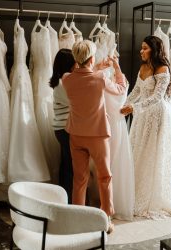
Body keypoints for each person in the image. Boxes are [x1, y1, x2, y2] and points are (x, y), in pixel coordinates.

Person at [120, 35, 171, 219]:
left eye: (145, 48)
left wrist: (134, 108)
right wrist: (123, 105)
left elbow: (157, 97)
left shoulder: (163, 69)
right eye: (141, 47)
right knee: (138, 153)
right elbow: (137, 91)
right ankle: (135, 193)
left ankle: (153, 197)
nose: (141, 51)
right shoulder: (143, 67)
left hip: (157, 115)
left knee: (152, 155)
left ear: (154, 50)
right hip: (142, 116)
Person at [62, 40, 126, 233]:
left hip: (76, 134)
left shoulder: (66, 78)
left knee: (79, 179)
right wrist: (116, 68)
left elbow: (83, 76)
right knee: (104, 176)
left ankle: (77, 220)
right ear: (91, 58)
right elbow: (120, 89)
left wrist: (97, 67)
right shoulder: (100, 79)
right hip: (97, 135)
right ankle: (106, 219)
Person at [49, 48, 76, 204]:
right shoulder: (61, 84)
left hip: (62, 128)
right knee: (70, 167)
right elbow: (75, 103)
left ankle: (66, 199)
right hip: (65, 129)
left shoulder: (61, 82)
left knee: (67, 164)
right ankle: (69, 200)